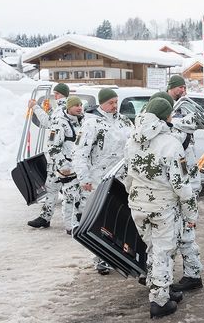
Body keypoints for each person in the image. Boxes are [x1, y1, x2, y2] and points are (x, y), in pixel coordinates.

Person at [124, 98, 196, 318]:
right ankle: (159, 301)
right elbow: (181, 185)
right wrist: (191, 214)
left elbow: (127, 176)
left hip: (138, 205)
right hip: (163, 207)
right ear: (167, 116)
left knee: (153, 248)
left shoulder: (132, 141)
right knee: (164, 252)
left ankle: (158, 288)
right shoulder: (170, 143)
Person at [72, 88, 133, 274]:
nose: (114, 106)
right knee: (102, 220)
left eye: (116, 102)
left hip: (123, 177)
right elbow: (79, 153)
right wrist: (84, 177)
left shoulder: (124, 121)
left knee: (123, 217)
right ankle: (101, 258)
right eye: (110, 103)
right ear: (102, 103)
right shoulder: (91, 123)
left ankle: (123, 253)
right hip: (101, 179)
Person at [158, 80, 204, 291]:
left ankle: (193, 275)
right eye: (180, 87)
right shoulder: (179, 125)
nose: (183, 91)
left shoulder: (175, 130)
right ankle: (189, 273)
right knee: (181, 231)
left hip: (184, 187)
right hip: (185, 185)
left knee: (185, 232)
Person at [27, 96, 83, 232]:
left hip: (73, 166)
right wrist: (64, 166)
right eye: (76, 105)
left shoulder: (82, 121)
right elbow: (53, 147)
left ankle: (71, 225)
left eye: (80, 105)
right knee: (53, 190)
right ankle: (45, 218)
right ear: (68, 107)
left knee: (72, 196)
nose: (79, 107)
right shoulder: (60, 122)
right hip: (61, 166)